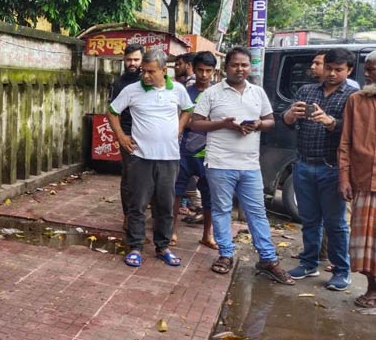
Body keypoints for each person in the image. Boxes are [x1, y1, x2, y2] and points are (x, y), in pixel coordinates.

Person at [190, 46, 294, 285]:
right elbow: (195, 124)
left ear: (249, 68)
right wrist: (223, 124)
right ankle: (225, 254)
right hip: (219, 162)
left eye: (244, 65)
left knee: (257, 212)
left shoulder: (257, 93)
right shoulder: (212, 93)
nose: (240, 69)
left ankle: (268, 259)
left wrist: (257, 124)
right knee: (222, 210)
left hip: (250, 165)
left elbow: (270, 121)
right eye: (235, 65)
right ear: (226, 67)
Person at [108, 49, 193, 268]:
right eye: (144, 71)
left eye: (151, 72)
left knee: (165, 205)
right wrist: (121, 136)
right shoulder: (132, 90)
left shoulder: (178, 90)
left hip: (169, 158)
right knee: (137, 204)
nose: (145, 75)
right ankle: (135, 247)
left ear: (164, 71)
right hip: (141, 157)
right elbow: (112, 112)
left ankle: (163, 247)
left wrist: (179, 128)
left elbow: (188, 109)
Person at [282, 48, 358, 290]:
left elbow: (357, 131)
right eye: (329, 68)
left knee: (336, 223)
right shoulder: (307, 90)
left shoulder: (353, 97)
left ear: (349, 70)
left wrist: (331, 122)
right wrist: (290, 115)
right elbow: (287, 122)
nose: (332, 73)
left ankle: (341, 270)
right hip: (303, 164)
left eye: (339, 70)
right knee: (309, 219)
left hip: (333, 168)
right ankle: (308, 263)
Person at [339, 50, 376, 308]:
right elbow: (345, 142)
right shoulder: (356, 100)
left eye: (374, 70)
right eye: (368, 69)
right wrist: (344, 177)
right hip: (363, 180)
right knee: (365, 243)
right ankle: (372, 288)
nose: (369, 74)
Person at [172, 51, 218, 250]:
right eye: (200, 70)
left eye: (208, 71)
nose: (204, 75)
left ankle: (207, 235)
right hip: (184, 151)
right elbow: (178, 120)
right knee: (176, 192)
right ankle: (171, 231)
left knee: (210, 196)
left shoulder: (219, 94)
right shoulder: (184, 92)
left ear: (214, 71)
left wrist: (199, 122)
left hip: (211, 152)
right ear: (194, 69)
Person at [108, 43, 143, 230]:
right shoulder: (119, 84)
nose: (132, 63)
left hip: (150, 136)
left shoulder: (151, 80)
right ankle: (128, 216)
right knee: (129, 177)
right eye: (129, 60)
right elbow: (112, 112)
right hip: (128, 134)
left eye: (136, 59)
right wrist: (121, 136)